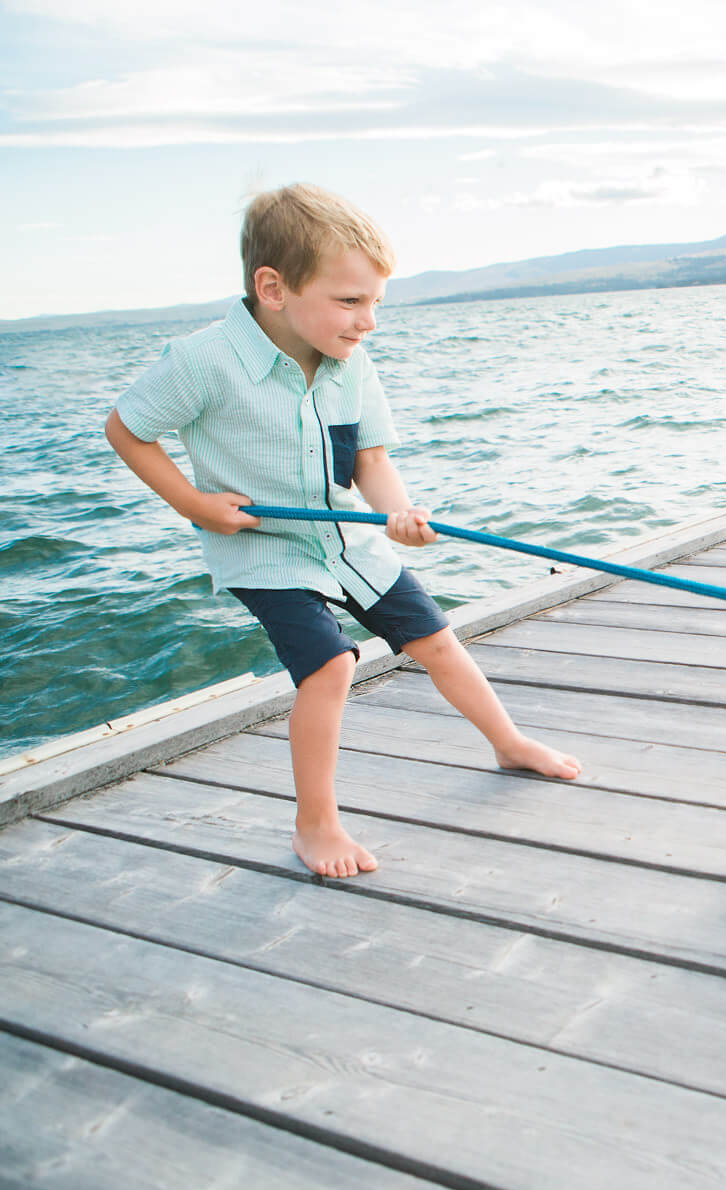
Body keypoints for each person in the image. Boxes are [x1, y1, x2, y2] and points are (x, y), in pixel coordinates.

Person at [105, 183, 580, 879]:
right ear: (274, 288)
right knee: (331, 665)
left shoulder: (351, 363)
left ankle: (508, 742)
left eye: (376, 303)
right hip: (264, 552)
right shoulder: (203, 360)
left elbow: (370, 460)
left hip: (348, 545)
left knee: (437, 641)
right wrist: (196, 505)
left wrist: (401, 512)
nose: (368, 322)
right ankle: (315, 823)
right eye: (351, 301)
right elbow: (128, 430)